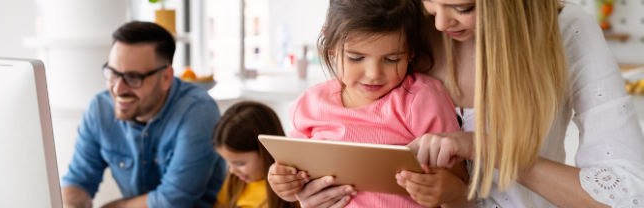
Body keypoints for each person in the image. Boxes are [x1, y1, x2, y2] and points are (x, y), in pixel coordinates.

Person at [294, 0, 644, 207]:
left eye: (463, 7)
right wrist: (318, 191)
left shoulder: (567, 30)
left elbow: (629, 193)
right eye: (433, 3)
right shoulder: (400, 25)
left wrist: (488, 148)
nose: (441, 22)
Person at [266, 0, 474, 207]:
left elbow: (460, 181)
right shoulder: (310, 103)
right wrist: (284, 184)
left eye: (392, 59)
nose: (374, 74)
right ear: (331, 44)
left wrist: (447, 190)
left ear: (410, 50)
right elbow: (292, 170)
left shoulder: (420, 99)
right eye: (356, 58)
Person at [60, 21, 226, 208]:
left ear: (165, 78)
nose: (118, 89)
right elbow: (78, 181)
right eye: (113, 73)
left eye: (133, 78)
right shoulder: (100, 108)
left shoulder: (198, 112)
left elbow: (173, 201)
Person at [211, 101, 300, 208]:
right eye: (228, 163)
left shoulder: (294, 186)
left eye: (240, 163)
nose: (232, 170)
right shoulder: (236, 180)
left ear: (266, 151)